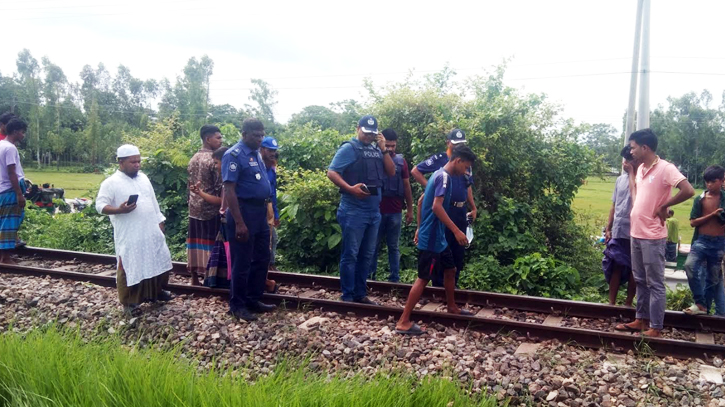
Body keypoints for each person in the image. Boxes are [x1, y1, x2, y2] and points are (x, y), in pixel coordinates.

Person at [615, 129, 694, 337]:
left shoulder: (665, 168)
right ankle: (641, 320)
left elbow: (688, 190)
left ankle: (656, 327)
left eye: (632, 147)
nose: (630, 151)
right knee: (640, 279)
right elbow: (636, 196)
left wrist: (664, 206)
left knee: (655, 283)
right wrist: (632, 173)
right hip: (636, 233)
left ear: (644, 147)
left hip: (652, 236)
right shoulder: (640, 169)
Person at [396, 145, 477, 335]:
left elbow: (421, 202)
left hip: (438, 236)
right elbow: (436, 207)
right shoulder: (444, 177)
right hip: (432, 237)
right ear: (458, 161)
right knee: (423, 278)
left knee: (450, 269)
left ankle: (451, 306)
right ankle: (403, 321)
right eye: (466, 167)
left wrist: (419, 226)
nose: (466, 171)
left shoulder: (440, 175)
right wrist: (457, 231)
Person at [95, 144, 173, 314]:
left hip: (151, 229)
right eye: (133, 162)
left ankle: (156, 293)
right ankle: (129, 303)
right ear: (121, 162)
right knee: (130, 265)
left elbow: (153, 201)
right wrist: (119, 210)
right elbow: (100, 206)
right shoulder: (110, 183)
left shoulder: (143, 178)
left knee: (159, 259)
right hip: (130, 234)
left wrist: (160, 221)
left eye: (138, 161)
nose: (137, 165)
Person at [327, 115, 395, 304]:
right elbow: (332, 172)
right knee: (351, 254)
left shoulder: (376, 150)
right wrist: (350, 189)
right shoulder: (349, 148)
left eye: (372, 134)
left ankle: (360, 294)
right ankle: (347, 295)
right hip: (353, 210)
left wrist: (383, 149)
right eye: (366, 133)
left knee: (367, 254)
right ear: (358, 128)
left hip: (374, 212)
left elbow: (391, 172)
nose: (368, 136)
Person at [222, 118, 276, 321]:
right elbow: (229, 189)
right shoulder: (233, 155)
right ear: (244, 134)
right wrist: (239, 222)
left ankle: (254, 299)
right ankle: (237, 305)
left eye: (262, 135)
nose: (260, 139)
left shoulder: (256, 153)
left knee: (262, 257)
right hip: (243, 212)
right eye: (256, 135)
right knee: (241, 262)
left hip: (259, 213)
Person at [411, 128, 477, 287]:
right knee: (440, 252)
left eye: (461, 144)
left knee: (457, 254)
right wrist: (431, 191)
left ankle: (451, 290)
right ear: (448, 143)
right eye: (455, 144)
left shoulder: (465, 161)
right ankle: (438, 289)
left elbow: (468, 185)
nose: (458, 147)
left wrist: (473, 207)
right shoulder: (442, 161)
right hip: (444, 210)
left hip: (460, 211)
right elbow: (416, 171)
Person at [369, 128, 414, 282]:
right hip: (376, 211)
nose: (390, 149)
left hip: (395, 212)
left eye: (393, 146)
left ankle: (394, 279)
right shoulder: (374, 157)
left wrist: (410, 209)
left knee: (393, 247)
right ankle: (370, 278)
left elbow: (407, 186)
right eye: (387, 145)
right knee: (373, 246)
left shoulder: (401, 162)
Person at [683, 165, 725, 316]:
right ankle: (699, 302)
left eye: (713, 181)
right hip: (701, 241)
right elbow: (693, 222)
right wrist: (712, 215)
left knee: (713, 279)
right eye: (707, 182)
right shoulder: (700, 199)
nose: (709, 185)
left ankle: (704, 309)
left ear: (721, 181)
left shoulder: (724, 198)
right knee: (689, 266)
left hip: (719, 242)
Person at [186, 125, 224, 285]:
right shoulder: (214, 160)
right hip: (211, 208)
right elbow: (219, 187)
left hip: (194, 208)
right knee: (212, 244)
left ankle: (194, 277)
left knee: (194, 242)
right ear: (208, 139)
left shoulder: (193, 158)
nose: (221, 141)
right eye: (218, 137)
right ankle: (211, 277)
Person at [602, 146, 639, 306]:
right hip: (619, 229)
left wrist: (632, 172)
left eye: (628, 160)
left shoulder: (641, 179)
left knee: (634, 269)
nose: (625, 163)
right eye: (624, 159)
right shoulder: (620, 180)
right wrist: (608, 228)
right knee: (615, 264)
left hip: (635, 231)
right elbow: (614, 205)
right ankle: (611, 303)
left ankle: (628, 303)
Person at [192, 147, 229, 288]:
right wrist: (200, 193)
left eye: (216, 163)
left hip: (228, 220)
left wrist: (201, 193)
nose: (215, 166)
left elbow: (221, 201)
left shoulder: (228, 181)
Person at [0, 119, 27, 264]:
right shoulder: (10, 148)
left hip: (1, 189)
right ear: (15, 131)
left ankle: (3, 255)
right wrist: (19, 194)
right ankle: (5, 257)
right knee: (9, 222)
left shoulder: (1, 145)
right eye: (22, 132)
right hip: (10, 190)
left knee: (3, 222)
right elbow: (11, 172)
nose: (23, 135)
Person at [260, 136, 280, 293]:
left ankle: (265, 274)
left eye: (274, 150)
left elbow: (273, 193)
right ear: (262, 149)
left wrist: (276, 213)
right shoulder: (256, 166)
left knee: (270, 238)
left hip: (268, 208)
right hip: (255, 207)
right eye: (269, 150)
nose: (272, 153)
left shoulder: (271, 170)